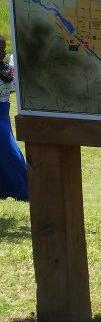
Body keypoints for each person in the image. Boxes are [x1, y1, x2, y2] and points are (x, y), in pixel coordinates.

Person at [0, 36, 29, 202]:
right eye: (1, 49)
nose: (3, 53)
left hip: (4, 115)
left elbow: (13, 87)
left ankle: (6, 188)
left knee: (6, 153)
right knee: (12, 153)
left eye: (4, 49)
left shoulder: (4, 68)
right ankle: (25, 190)